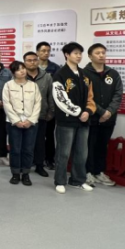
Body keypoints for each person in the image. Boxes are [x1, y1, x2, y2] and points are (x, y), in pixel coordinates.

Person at [52, 43, 97, 194]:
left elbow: (91, 97)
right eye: (75, 53)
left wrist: (88, 112)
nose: (79, 56)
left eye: (80, 53)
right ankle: (60, 181)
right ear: (67, 54)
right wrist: (78, 112)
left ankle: (78, 180)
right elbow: (60, 99)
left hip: (84, 120)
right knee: (63, 153)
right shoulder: (60, 75)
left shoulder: (85, 75)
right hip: (66, 121)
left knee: (81, 153)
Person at [84, 44, 123, 188]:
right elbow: (85, 96)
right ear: (90, 56)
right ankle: (87, 172)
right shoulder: (84, 73)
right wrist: (100, 112)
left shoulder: (113, 74)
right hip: (91, 117)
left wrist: (108, 112)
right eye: (97, 53)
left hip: (109, 118)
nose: (101, 55)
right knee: (89, 145)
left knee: (102, 146)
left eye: (103, 52)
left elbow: (118, 94)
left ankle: (99, 172)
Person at [3, 61, 42, 186]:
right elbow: (7, 104)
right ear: (13, 72)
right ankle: (15, 173)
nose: (22, 71)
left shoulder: (33, 85)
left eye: (23, 68)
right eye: (18, 69)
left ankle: (26, 174)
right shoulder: (8, 85)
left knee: (28, 149)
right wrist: (16, 121)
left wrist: (31, 120)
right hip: (13, 123)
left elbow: (38, 104)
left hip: (31, 122)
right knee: (15, 149)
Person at [24, 51, 55, 178]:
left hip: (41, 115)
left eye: (34, 60)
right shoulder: (20, 76)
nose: (32, 62)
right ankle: (24, 165)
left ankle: (39, 165)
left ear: (38, 61)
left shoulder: (47, 77)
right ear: (24, 62)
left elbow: (51, 95)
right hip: (24, 116)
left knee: (40, 142)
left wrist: (51, 111)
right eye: (29, 60)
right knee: (25, 142)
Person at [37, 42, 61, 170]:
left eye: (48, 51)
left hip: (50, 106)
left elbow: (58, 88)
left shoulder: (55, 68)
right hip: (34, 107)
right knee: (35, 135)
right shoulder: (32, 67)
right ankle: (36, 159)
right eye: (43, 51)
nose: (46, 53)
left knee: (49, 134)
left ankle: (50, 159)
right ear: (37, 52)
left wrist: (52, 109)